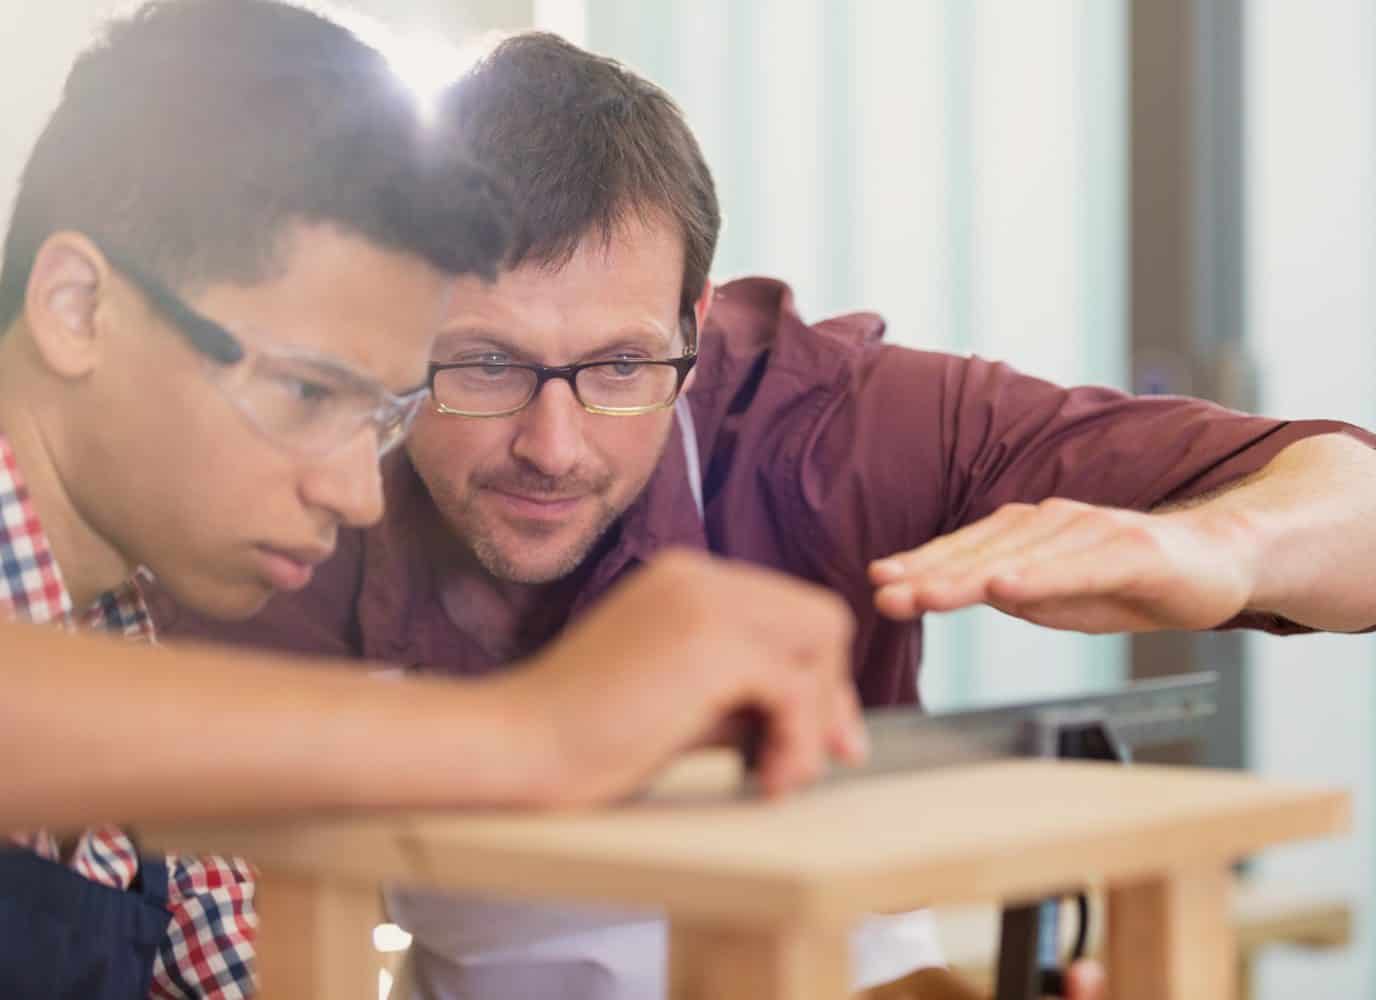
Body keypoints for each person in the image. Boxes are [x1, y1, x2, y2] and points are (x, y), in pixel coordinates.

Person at [159, 31, 1376, 1000]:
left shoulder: (832, 427)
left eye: (621, 369)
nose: (551, 447)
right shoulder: (291, 480)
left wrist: (1221, 545)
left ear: (692, 323)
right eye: (484, 366)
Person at [0, 7, 864, 998]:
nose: (357, 494)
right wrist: (539, 732)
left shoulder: (122, 637)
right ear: (77, 306)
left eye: (379, 416)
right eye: (306, 393)